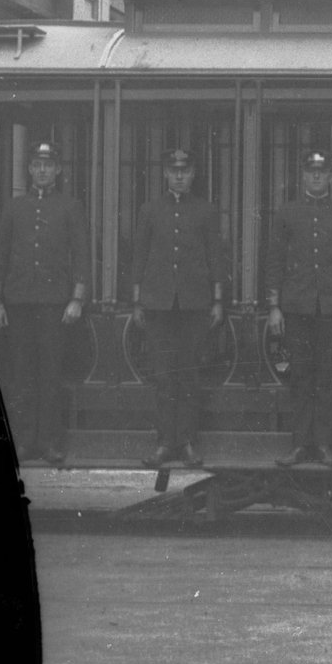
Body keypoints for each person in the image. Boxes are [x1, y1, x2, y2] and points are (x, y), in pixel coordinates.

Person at [0, 141, 89, 465]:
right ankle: (24, 442)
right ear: (30, 169)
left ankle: (49, 443)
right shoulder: (14, 207)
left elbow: (82, 255)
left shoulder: (70, 206)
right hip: (18, 303)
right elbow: (0, 255)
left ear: (58, 170)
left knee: (50, 373)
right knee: (22, 373)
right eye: (36, 164)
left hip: (54, 305)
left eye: (48, 165)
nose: (42, 170)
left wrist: (76, 298)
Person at [131, 147, 228, 468]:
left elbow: (215, 257)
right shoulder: (149, 210)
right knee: (163, 376)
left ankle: (186, 442)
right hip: (158, 305)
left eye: (185, 171)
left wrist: (216, 300)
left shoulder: (206, 211)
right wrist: (137, 300)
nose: (179, 176)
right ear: (165, 174)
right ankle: (164, 443)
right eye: (174, 171)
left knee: (187, 375)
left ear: (193, 174)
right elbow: (139, 257)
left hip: (194, 305)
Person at [265, 149, 332, 468]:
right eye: (311, 172)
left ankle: (323, 445)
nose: (316, 177)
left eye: (322, 172)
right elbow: (275, 261)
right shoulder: (288, 213)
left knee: (327, 377)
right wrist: (275, 307)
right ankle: (299, 445)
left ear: (331, 177)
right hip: (296, 307)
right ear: (303, 176)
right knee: (301, 376)